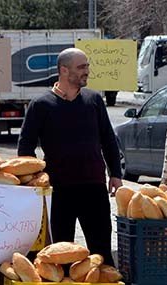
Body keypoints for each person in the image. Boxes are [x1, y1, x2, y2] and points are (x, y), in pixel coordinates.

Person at [17, 48, 123, 267]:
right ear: (64, 71)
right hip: (58, 190)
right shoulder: (41, 105)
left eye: (87, 66)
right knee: (60, 253)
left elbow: (108, 139)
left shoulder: (94, 100)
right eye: (81, 67)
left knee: (101, 250)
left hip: (93, 188)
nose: (87, 71)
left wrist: (115, 173)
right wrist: (33, 180)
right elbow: (25, 146)